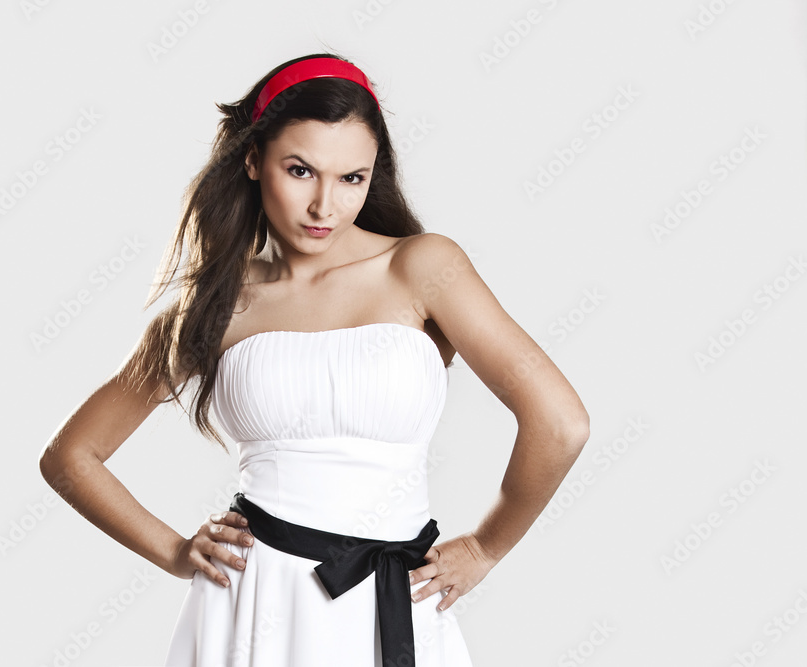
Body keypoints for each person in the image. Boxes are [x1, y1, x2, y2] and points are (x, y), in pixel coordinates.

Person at [38, 53, 590, 667]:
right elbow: (71, 456)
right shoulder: (218, 303)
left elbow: (560, 422)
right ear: (253, 160)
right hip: (251, 607)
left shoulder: (423, 267)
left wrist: (486, 548)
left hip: (396, 603)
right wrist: (173, 552)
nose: (325, 205)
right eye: (300, 170)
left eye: (351, 178)